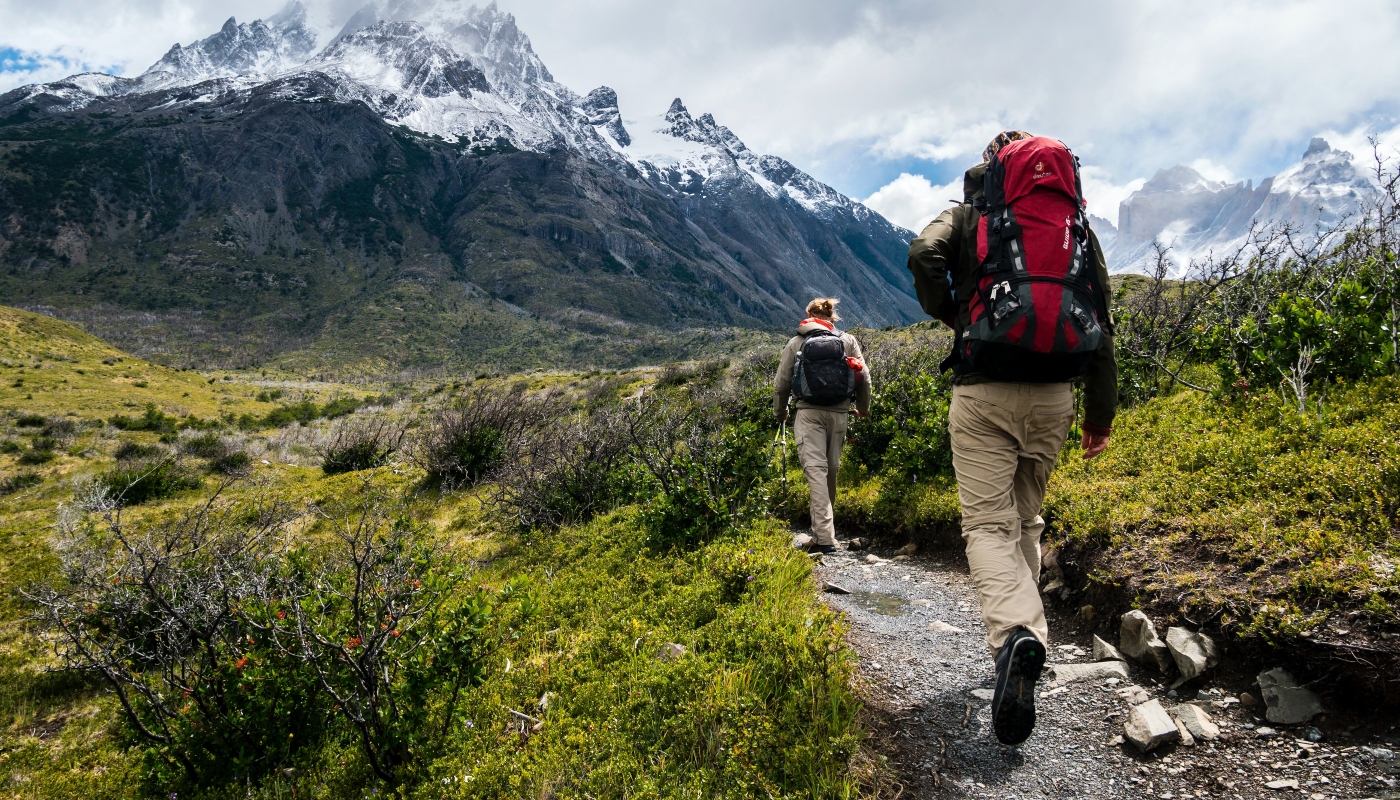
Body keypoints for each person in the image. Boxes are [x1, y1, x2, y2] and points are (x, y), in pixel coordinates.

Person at [906, 131, 1117, 745]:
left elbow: (923, 254)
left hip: (984, 391)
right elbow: (1101, 319)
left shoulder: (972, 215)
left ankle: (1016, 638)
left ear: (994, 167)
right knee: (1025, 521)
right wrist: (1099, 417)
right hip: (1056, 396)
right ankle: (1026, 643)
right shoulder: (1076, 228)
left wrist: (953, 312)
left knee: (987, 526)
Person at [773, 298, 871, 555]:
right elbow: (865, 377)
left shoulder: (796, 342)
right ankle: (824, 532)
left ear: (808, 316)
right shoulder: (847, 341)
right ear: (832, 317)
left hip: (808, 414)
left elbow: (781, 383)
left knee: (815, 471)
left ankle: (824, 537)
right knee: (831, 470)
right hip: (839, 413)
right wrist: (862, 408)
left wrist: (781, 412)